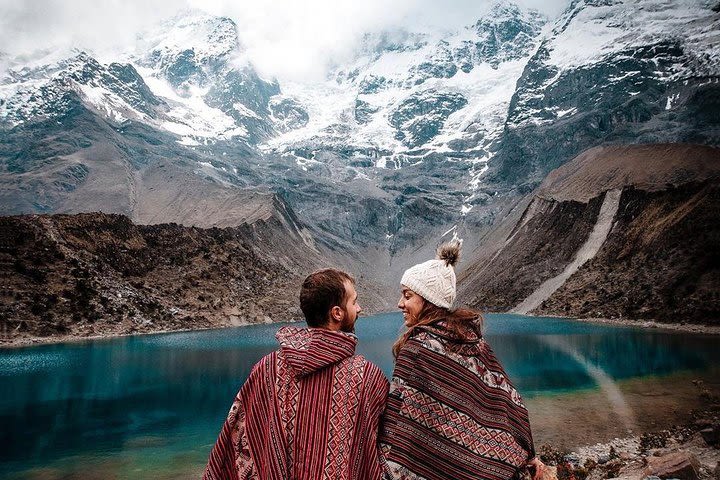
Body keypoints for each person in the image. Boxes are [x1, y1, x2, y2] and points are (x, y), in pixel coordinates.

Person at [379, 241, 545, 480]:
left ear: (427, 300)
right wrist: (525, 452)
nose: (400, 303)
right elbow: (509, 398)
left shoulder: (416, 350)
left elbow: (397, 423)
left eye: (408, 296)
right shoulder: (474, 341)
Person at [203, 268, 389, 480]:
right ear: (337, 313)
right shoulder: (367, 376)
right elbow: (385, 447)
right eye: (354, 302)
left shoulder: (267, 368)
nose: (359, 308)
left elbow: (236, 436)